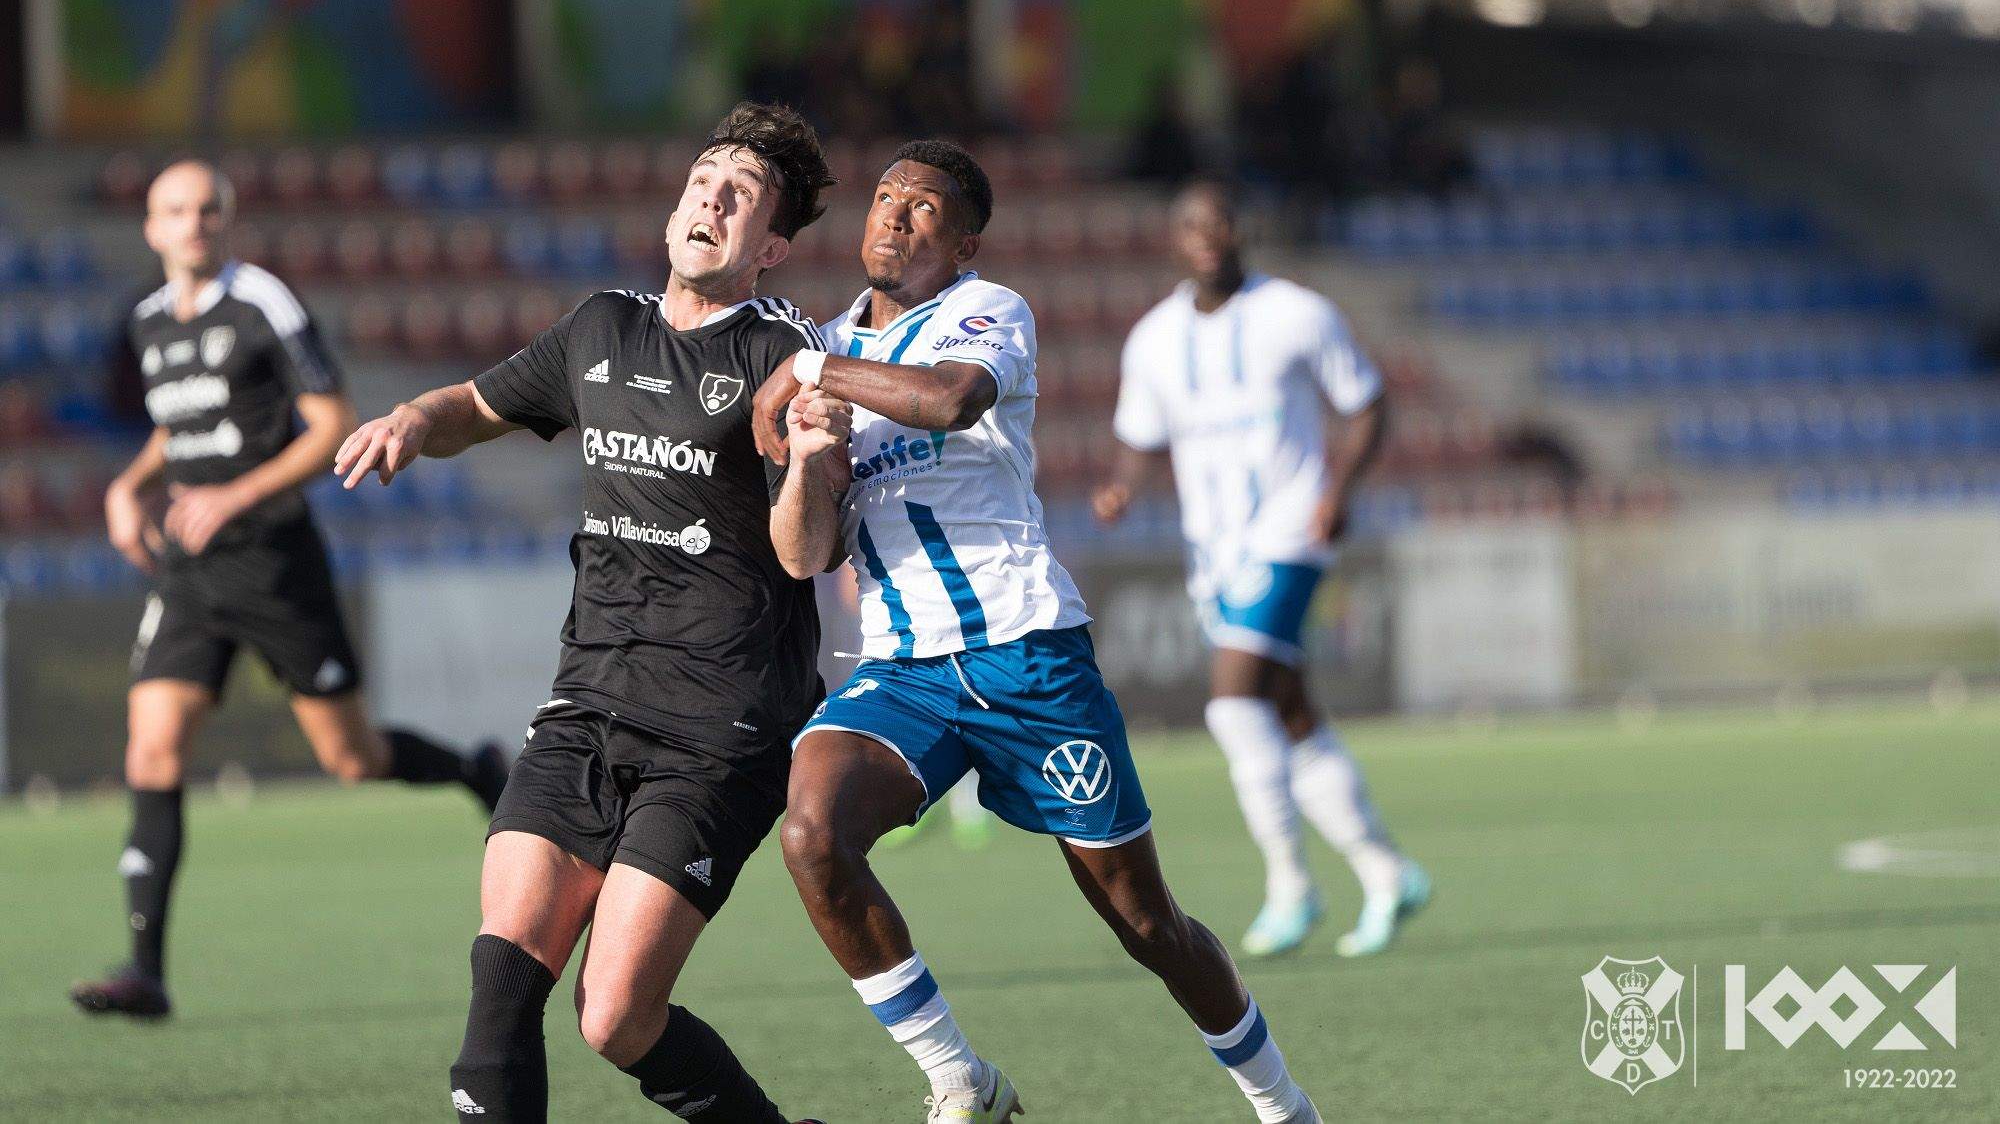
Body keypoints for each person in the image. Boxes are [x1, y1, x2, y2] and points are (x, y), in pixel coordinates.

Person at [753, 142, 1322, 1123]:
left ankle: (1281, 1106)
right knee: (810, 833)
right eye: (883, 197)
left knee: (1146, 923)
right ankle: (960, 1078)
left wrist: (808, 370)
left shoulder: (984, 311)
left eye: (921, 208)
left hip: (1027, 658)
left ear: (963, 241)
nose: (891, 215)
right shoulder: (830, 343)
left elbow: (951, 399)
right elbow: (805, 555)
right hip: (902, 670)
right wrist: (807, 461)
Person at [337, 104, 844, 1124]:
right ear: (673, 212)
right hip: (586, 702)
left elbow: (804, 553)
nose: (713, 196)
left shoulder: (786, 357)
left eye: (741, 194)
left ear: (771, 248)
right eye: (704, 179)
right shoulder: (600, 327)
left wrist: (814, 461)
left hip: (721, 726)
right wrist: (408, 419)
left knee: (612, 1016)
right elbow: (471, 410)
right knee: (504, 968)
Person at [71, 161, 507, 1021]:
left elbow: (331, 421)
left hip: (274, 559)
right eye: (175, 211)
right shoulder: (148, 320)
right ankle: (145, 969)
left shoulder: (262, 302)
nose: (193, 223)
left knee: (352, 760)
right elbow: (180, 421)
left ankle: (475, 769)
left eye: (208, 209)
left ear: (225, 223)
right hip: (192, 570)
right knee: (152, 747)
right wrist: (131, 484)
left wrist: (234, 495)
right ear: (152, 229)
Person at [1093, 179, 1429, 959]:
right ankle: (1387, 871)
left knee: (1234, 702)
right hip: (1213, 548)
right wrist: (1121, 486)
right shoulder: (1152, 338)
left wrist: (1338, 492)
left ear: (1240, 229)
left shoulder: (1297, 312)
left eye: (1219, 220)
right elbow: (1141, 435)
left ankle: (1290, 886)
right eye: (1190, 224)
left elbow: (1368, 402)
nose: (1206, 234)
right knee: (1290, 715)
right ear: (1174, 240)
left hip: (1291, 528)